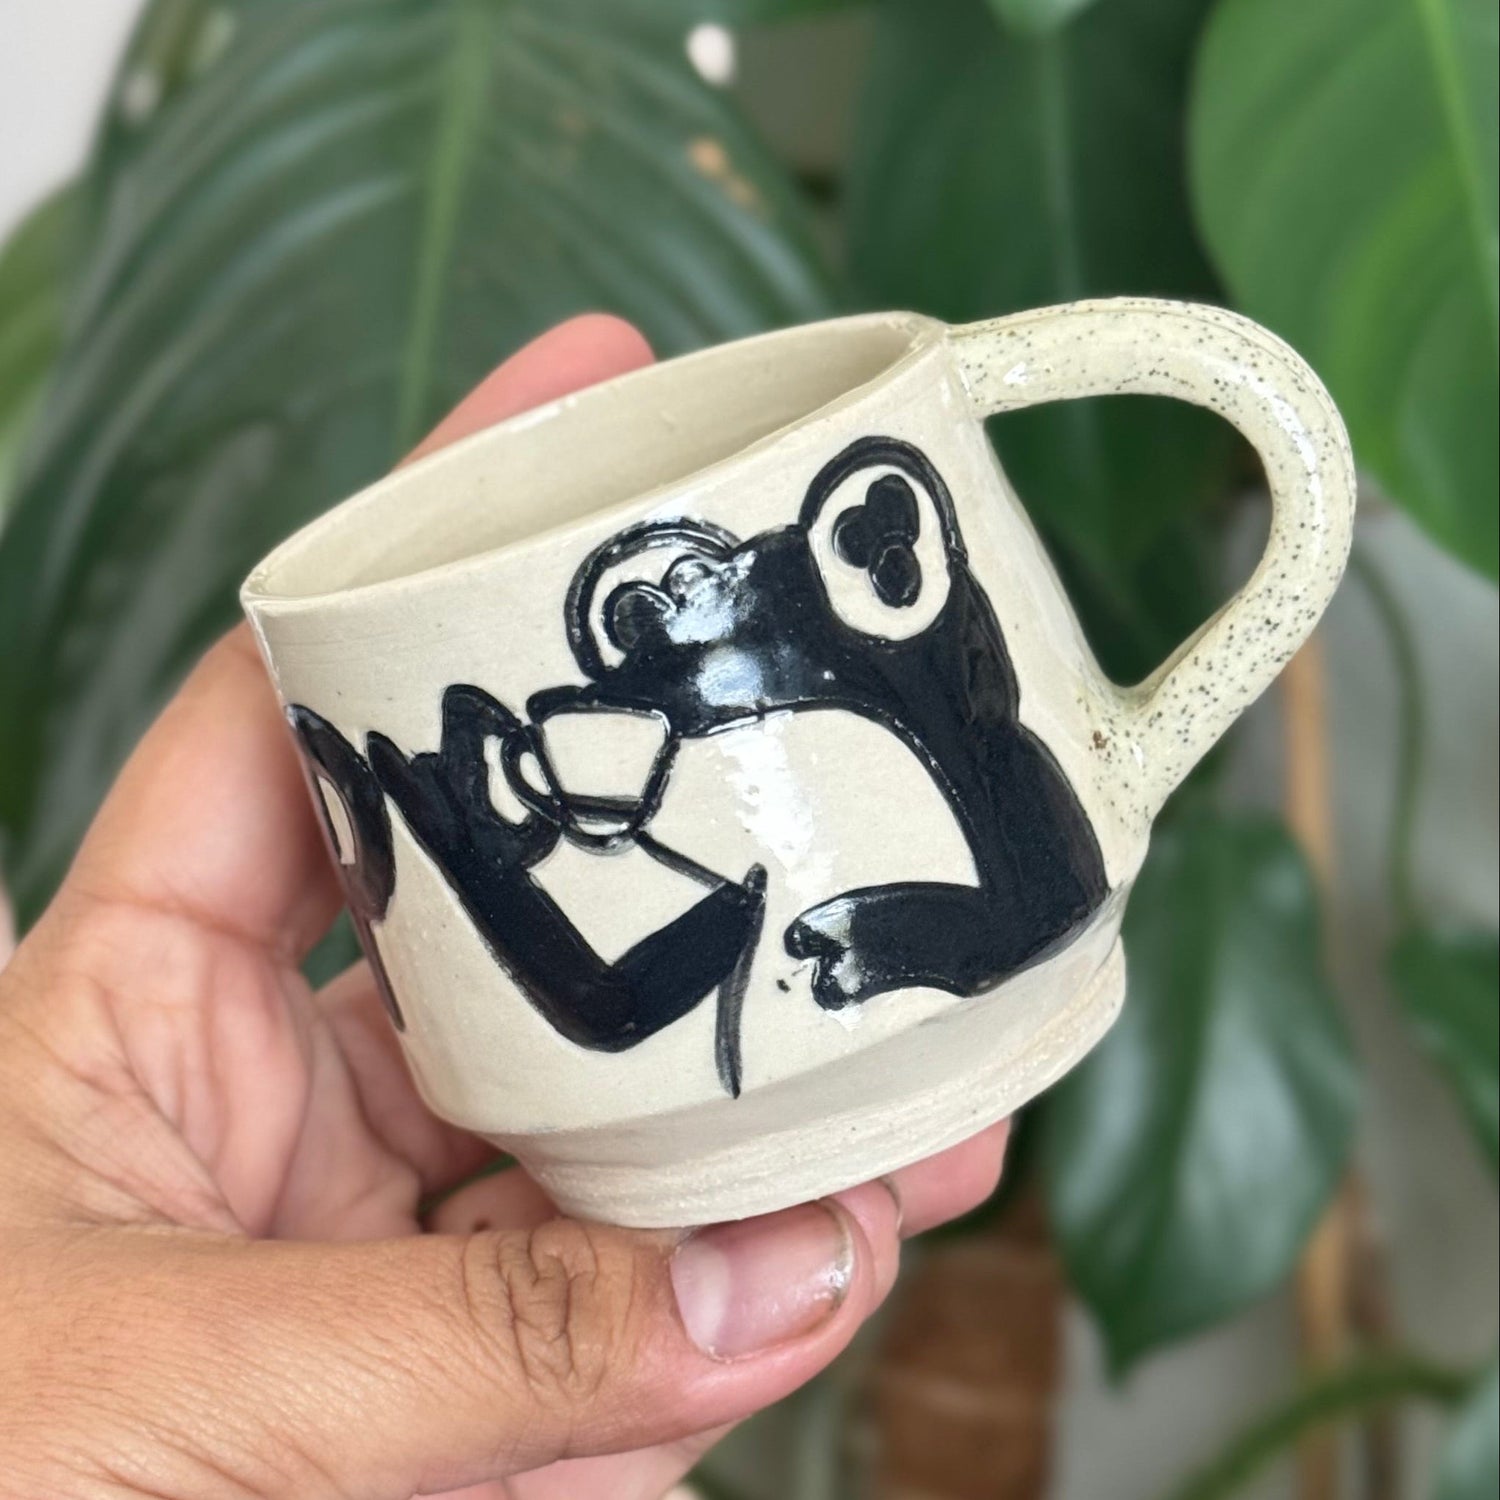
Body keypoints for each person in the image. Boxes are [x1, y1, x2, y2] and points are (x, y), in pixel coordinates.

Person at [0, 316, 1009, 1500]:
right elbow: (621, 996)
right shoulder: (689, 811)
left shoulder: (853, 643)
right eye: (634, 625)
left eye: (678, 592)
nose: (665, 629)